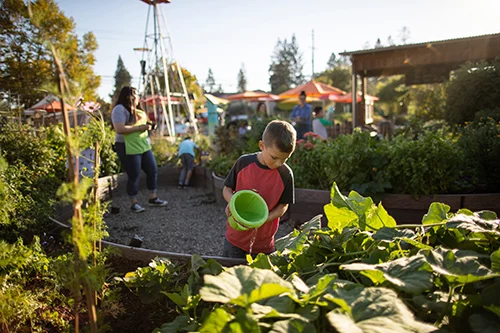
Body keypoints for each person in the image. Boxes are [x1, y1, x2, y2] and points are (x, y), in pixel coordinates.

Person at [222, 120, 297, 258]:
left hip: (264, 243)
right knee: (231, 274)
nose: (279, 163)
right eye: (274, 158)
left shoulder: (286, 174)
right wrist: (233, 203)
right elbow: (227, 189)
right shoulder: (243, 163)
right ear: (262, 146)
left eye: (284, 159)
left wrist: (266, 218)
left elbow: (283, 206)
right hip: (235, 238)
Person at [111, 86, 168, 213]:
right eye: (136, 95)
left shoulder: (138, 110)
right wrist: (139, 128)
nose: (139, 98)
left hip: (142, 145)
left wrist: (149, 127)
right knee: (134, 174)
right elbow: (119, 129)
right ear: (130, 96)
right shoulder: (119, 109)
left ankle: (152, 197)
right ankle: (134, 202)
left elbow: (143, 125)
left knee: (152, 170)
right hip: (127, 146)